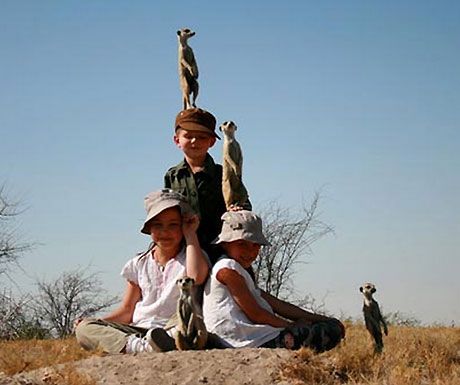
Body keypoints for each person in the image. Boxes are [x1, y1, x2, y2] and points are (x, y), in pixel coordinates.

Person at [74, 189, 210, 354]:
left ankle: (160, 343)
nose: (165, 231)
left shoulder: (191, 255)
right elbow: (127, 310)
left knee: (191, 318)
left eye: (173, 225)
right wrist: (97, 322)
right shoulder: (138, 263)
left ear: (183, 225)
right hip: (139, 330)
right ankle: (139, 347)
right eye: (158, 225)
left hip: (173, 326)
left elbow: (196, 277)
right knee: (85, 328)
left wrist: (190, 235)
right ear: (149, 228)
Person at [202, 210, 345, 352]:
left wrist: (318, 318)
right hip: (242, 342)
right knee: (331, 330)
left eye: (255, 246)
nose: (250, 252)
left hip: (249, 338)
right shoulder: (228, 269)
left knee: (329, 324)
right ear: (225, 244)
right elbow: (256, 314)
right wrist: (290, 326)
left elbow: (278, 305)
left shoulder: (238, 271)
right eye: (242, 245)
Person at [164, 108, 251, 264]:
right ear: (177, 140)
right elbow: (166, 213)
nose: (194, 141)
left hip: (219, 250)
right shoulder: (173, 176)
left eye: (201, 137)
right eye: (188, 136)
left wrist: (238, 210)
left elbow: (243, 201)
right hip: (184, 251)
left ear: (211, 142)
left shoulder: (222, 173)